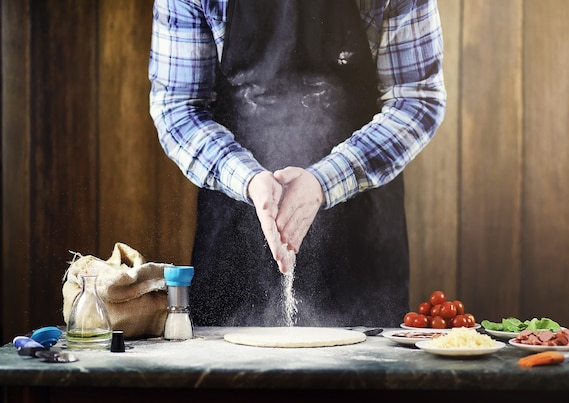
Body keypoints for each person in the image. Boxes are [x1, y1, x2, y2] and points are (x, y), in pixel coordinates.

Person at [149, 0, 446, 328]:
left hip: (360, 232)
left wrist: (324, 181)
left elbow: (416, 99)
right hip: (238, 217)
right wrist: (249, 179)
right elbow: (178, 107)